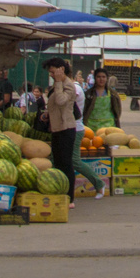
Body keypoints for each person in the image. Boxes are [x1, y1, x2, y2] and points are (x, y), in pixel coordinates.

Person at [43, 58, 81, 202]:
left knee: (66, 163)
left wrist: (58, 82)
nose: (51, 75)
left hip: (66, 129)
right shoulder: (57, 85)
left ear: (61, 70)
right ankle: (61, 192)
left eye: (53, 72)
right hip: (57, 129)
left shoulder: (69, 85)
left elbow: (60, 100)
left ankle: (70, 197)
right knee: (58, 163)